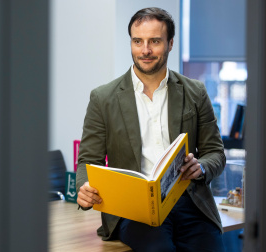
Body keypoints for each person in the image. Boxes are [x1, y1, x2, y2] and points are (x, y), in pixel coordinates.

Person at [76, 7, 226, 252]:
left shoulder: (195, 92)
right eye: (138, 41)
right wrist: (84, 188)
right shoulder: (103, 98)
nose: (145, 50)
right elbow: (88, 160)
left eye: (154, 41)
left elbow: (215, 153)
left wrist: (201, 168)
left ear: (170, 44)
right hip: (134, 209)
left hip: (190, 202)